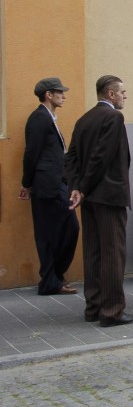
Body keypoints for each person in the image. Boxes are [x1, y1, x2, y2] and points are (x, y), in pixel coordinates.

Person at [64, 75, 133, 327]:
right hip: (109, 195)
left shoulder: (83, 119)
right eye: (122, 92)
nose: (125, 96)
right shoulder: (114, 117)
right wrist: (82, 188)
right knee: (113, 253)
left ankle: (93, 307)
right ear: (110, 94)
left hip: (90, 197)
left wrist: (76, 187)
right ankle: (112, 311)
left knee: (94, 252)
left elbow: (71, 157)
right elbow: (101, 157)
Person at [19, 77, 79, 296]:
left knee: (65, 229)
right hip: (46, 184)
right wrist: (27, 183)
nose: (63, 95)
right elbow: (31, 153)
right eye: (59, 92)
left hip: (56, 182)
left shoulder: (49, 117)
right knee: (54, 231)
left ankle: (53, 278)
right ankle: (51, 280)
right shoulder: (39, 118)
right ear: (48, 95)